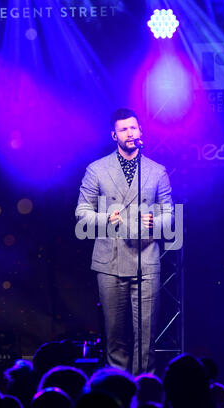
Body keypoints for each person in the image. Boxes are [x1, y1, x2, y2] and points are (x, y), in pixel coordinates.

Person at [75, 108, 173, 375]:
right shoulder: (96, 170)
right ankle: (116, 393)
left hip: (146, 262)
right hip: (110, 262)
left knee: (145, 338)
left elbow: (170, 215)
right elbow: (82, 212)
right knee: (115, 337)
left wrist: (156, 222)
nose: (130, 133)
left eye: (134, 128)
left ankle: (145, 393)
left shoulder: (156, 171)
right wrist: (107, 218)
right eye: (124, 129)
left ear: (140, 131)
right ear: (113, 135)